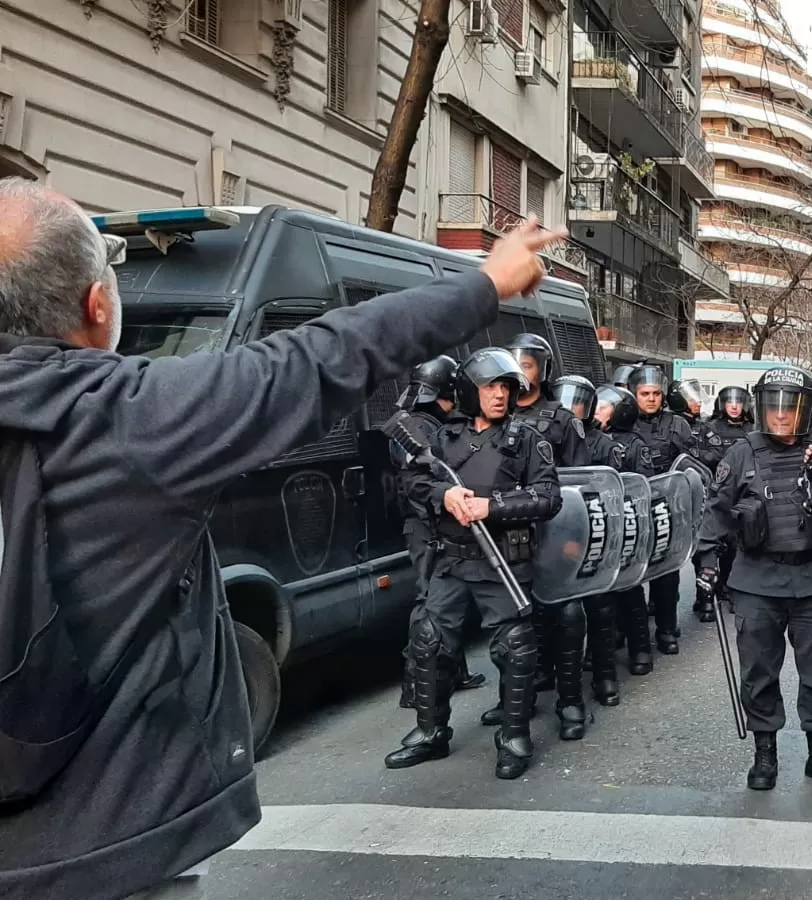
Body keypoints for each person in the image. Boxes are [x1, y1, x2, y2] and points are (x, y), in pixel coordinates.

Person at [0, 176, 566, 900]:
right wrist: (485, 282)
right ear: (99, 305)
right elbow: (325, 356)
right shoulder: (128, 418)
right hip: (105, 849)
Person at [385, 348, 562, 780]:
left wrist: (491, 506)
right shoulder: (445, 438)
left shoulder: (528, 441)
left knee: (516, 650)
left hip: (502, 561)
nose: (499, 395)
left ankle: (514, 735)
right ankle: (430, 732)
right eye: (489, 387)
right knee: (429, 641)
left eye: (506, 387)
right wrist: (443, 495)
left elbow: (548, 498)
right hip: (451, 557)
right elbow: (413, 483)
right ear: (469, 389)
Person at [694, 367, 812, 793]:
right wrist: (708, 561)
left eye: (791, 407)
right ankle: (764, 751)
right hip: (756, 580)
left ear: (806, 409)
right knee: (759, 671)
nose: (782, 416)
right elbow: (716, 509)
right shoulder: (742, 454)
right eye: (774, 406)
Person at [475, 333, 592, 741]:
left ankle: (571, 699)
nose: (518, 374)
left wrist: (579, 541)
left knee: (568, 616)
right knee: (513, 624)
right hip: (507, 536)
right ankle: (514, 701)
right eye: (512, 365)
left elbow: (582, 485)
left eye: (526, 365)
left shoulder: (562, 420)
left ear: (542, 370)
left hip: (557, 532)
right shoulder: (491, 420)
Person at [393, 355, 486, 709]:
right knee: (429, 604)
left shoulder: (426, 422)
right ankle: (416, 684)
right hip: (426, 524)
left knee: (445, 604)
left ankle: (451, 670)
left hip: (433, 522)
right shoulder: (417, 427)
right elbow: (420, 483)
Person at [553, 375, 626, 706]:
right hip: (556, 535)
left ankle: (605, 675)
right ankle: (559, 686)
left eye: (578, 402)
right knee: (559, 614)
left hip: (595, 532)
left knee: (600, 607)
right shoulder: (541, 435)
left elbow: (614, 493)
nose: (571, 408)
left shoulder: (603, 444)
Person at [627, 364, 694, 655]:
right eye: (644, 393)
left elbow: (691, 463)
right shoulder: (624, 421)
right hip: (633, 510)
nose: (651, 398)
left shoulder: (677, 424)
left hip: (668, 508)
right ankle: (633, 632)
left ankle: (666, 630)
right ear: (633, 394)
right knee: (631, 575)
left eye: (656, 393)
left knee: (666, 574)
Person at [595, 385, 657, 676]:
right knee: (598, 597)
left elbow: (642, 486)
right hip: (597, 525)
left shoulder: (635, 443)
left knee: (630, 592)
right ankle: (601, 651)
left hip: (625, 525)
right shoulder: (589, 438)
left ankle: (641, 649)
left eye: (604, 406)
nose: (597, 410)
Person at [689, 385, 753, 621]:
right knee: (707, 546)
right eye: (729, 402)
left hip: (743, 495)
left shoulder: (752, 430)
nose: (734, 406)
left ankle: (733, 590)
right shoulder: (709, 428)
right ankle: (706, 596)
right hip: (713, 494)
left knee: (737, 547)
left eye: (738, 402)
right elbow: (696, 459)